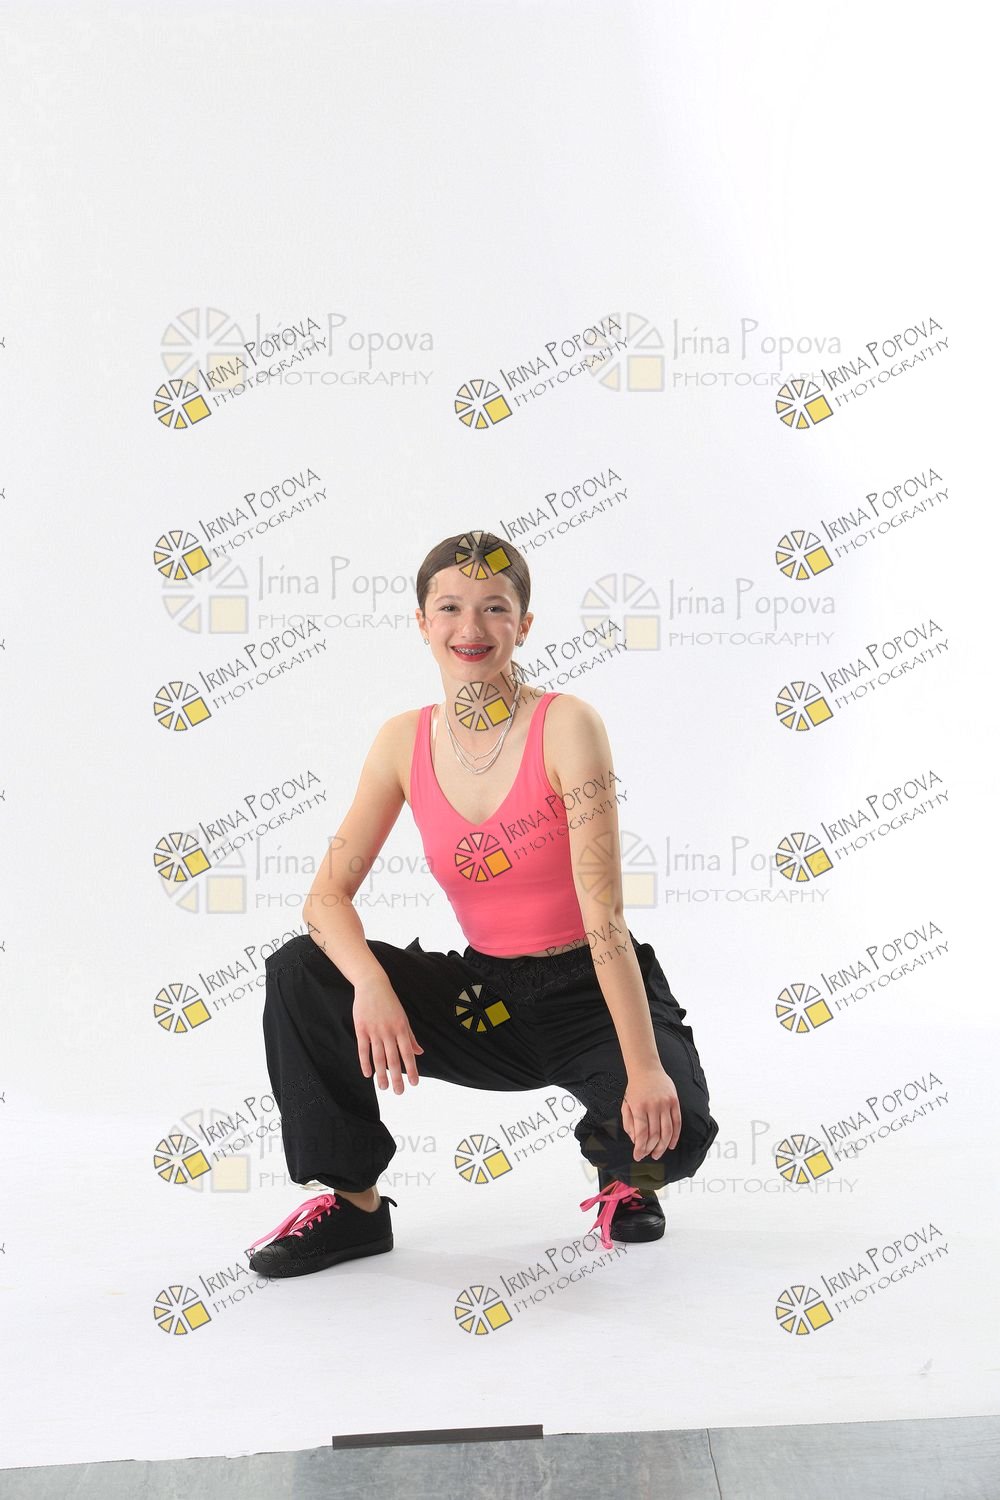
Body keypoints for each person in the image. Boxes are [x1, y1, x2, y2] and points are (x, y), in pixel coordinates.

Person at [247, 529, 719, 1278]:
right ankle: (355, 1208)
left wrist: (644, 1070)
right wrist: (370, 983)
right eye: (450, 607)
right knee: (303, 969)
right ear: (422, 622)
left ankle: (626, 1176)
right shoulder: (401, 741)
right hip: (485, 1002)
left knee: (672, 1131)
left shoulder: (566, 724)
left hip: (591, 989)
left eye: (495, 608)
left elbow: (605, 918)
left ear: (523, 625)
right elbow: (326, 897)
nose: (471, 627)